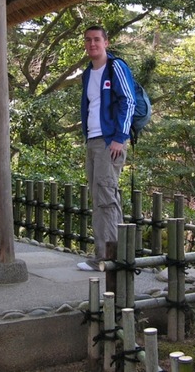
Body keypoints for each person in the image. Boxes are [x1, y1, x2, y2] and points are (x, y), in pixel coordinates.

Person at [77, 25, 136, 271]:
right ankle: (113, 254)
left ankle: (106, 258)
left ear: (106, 42)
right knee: (101, 197)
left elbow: (129, 101)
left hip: (109, 141)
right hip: (93, 140)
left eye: (96, 39)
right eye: (88, 40)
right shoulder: (87, 74)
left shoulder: (115, 67)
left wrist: (120, 137)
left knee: (106, 198)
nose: (92, 44)